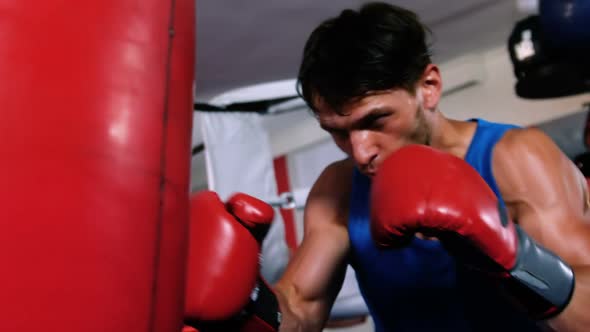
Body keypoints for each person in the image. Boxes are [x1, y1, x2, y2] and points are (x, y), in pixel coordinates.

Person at [184, 2, 590, 332]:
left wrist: (516, 257)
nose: (360, 152)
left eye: (376, 121)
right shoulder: (340, 188)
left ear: (428, 87)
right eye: (338, 131)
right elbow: (300, 310)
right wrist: (248, 299)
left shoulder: (515, 157)